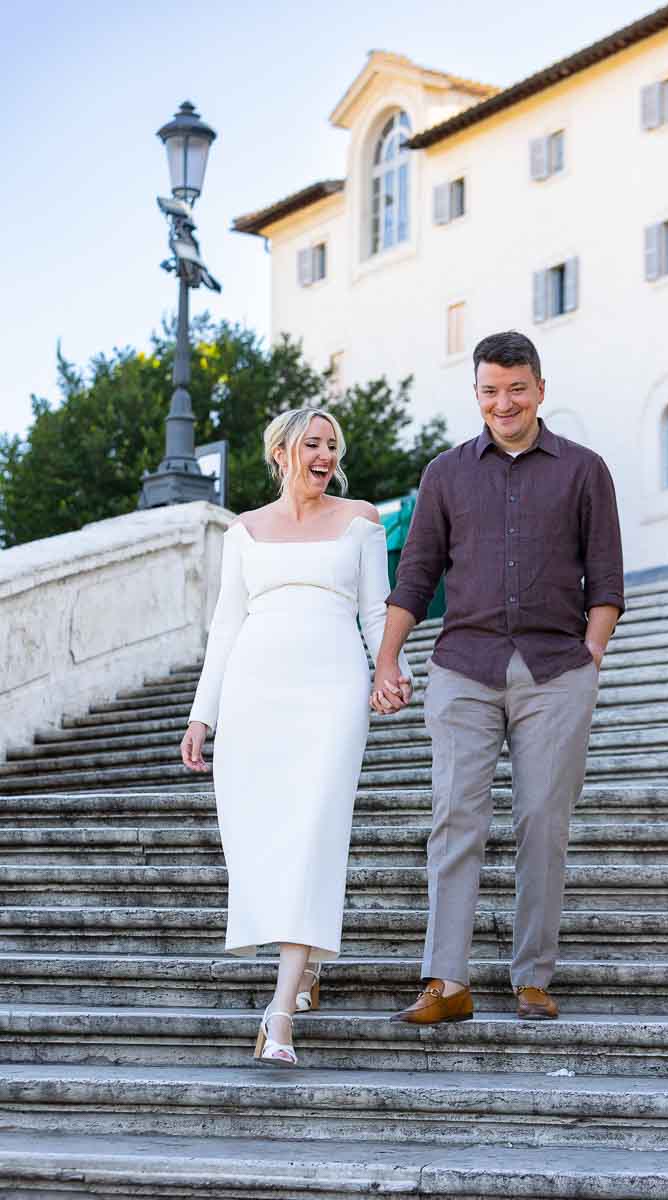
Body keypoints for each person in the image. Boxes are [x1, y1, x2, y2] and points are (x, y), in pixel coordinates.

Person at [369, 331, 624, 1024]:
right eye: (489, 390)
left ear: (540, 389)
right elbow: (415, 575)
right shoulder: (445, 474)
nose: (503, 402)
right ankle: (445, 982)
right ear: (476, 394)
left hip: (555, 670)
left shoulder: (584, 470)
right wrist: (388, 659)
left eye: (516, 388)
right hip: (463, 667)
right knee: (456, 818)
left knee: (543, 821)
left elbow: (606, 578)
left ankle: (532, 975)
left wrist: (591, 658)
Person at [181, 408, 412, 1065]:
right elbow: (225, 626)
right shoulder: (244, 532)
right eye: (312, 443)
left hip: (333, 689)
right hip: (256, 692)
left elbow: (376, 608)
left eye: (332, 445)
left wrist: (392, 667)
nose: (325, 454)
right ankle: (303, 964)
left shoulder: (362, 519)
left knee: (314, 832)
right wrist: (204, 715)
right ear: (281, 451)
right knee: (264, 837)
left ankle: (279, 1014)